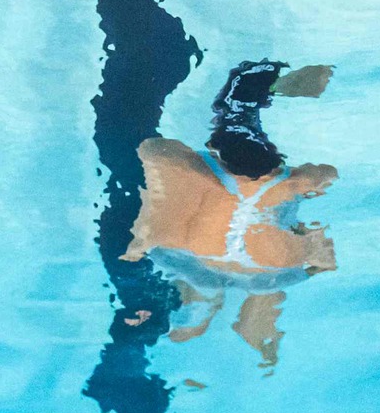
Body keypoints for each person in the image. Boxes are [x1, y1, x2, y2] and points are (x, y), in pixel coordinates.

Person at [124, 61, 338, 371]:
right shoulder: (296, 181)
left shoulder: (192, 169)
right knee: (269, 282)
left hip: (196, 263)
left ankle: (195, 314)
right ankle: (257, 325)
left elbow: (151, 148)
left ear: (217, 157)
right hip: (266, 272)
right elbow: (327, 175)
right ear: (277, 163)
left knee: (189, 269)